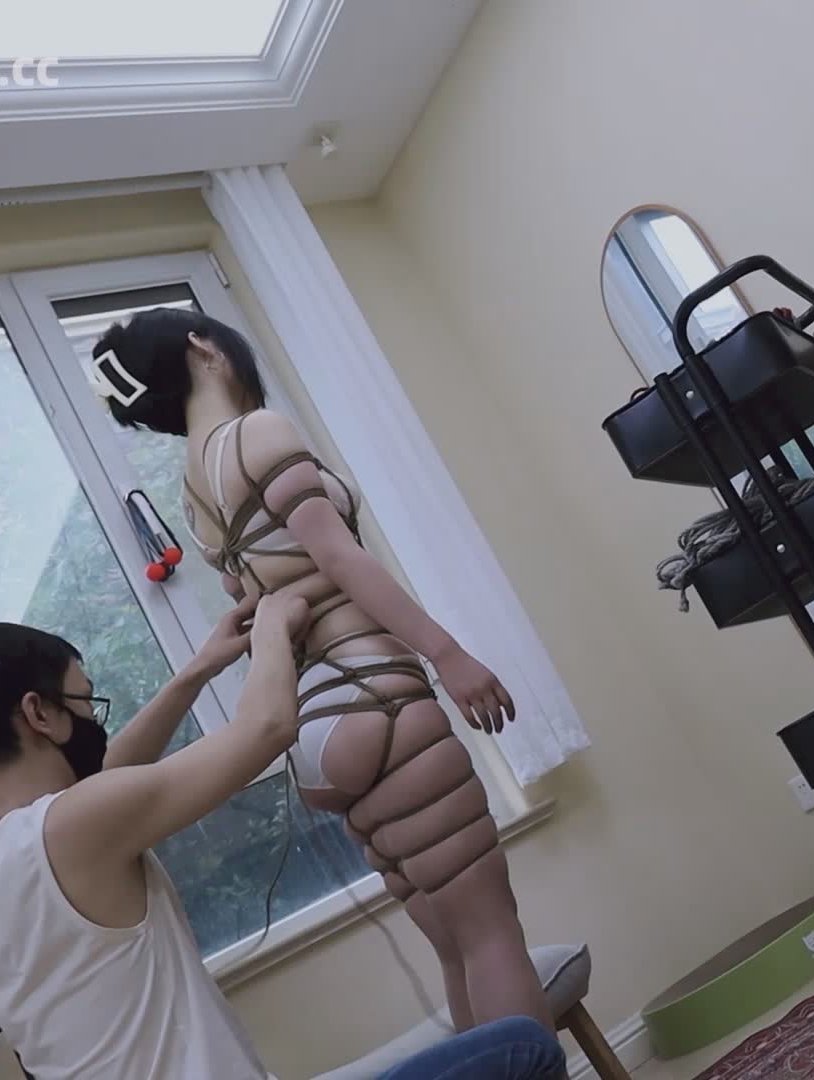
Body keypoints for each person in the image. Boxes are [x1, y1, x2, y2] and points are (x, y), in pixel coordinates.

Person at [86, 309, 550, 1032]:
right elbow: (337, 557)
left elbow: (261, 607)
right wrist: (448, 654)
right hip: (377, 696)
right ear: (203, 348)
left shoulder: (191, 492)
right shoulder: (258, 433)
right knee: (490, 931)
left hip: (319, 731)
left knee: (454, 948)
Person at [0, 598, 566, 1079]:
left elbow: (107, 778)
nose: (94, 720)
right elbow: (266, 729)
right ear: (38, 712)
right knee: (525, 1047)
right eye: (86, 702)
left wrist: (198, 670)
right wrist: (272, 627)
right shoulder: (70, 827)